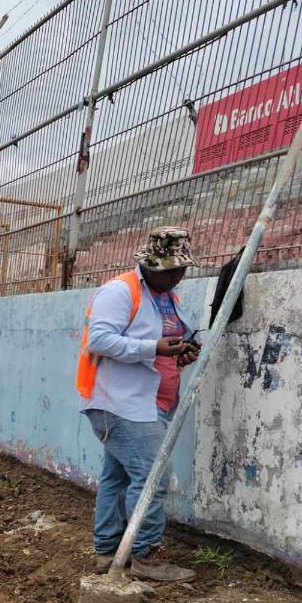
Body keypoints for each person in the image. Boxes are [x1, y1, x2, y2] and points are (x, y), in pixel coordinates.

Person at [77, 227, 202, 583]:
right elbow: (100, 340)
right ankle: (145, 555)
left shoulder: (168, 297)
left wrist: (181, 352)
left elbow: (164, 341)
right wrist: (155, 348)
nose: (178, 276)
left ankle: (107, 549)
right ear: (149, 265)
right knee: (151, 478)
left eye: (181, 270)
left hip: (152, 402)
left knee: (116, 478)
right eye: (170, 270)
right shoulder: (120, 291)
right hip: (121, 403)